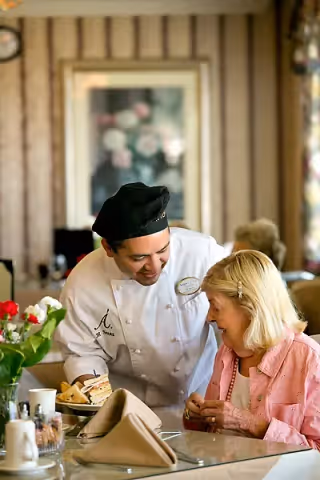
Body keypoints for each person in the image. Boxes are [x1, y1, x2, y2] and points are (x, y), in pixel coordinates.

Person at [55, 182, 225, 415]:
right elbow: (82, 354)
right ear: (108, 247)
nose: (154, 266)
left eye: (163, 250)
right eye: (139, 257)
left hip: (206, 402)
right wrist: (102, 409)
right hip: (128, 412)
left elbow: (238, 319)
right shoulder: (83, 284)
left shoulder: (203, 254)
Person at [184, 250, 320, 450]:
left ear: (249, 306)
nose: (209, 317)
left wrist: (251, 424)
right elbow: (211, 438)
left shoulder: (308, 360)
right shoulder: (226, 352)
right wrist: (196, 417)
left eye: (216, 307)